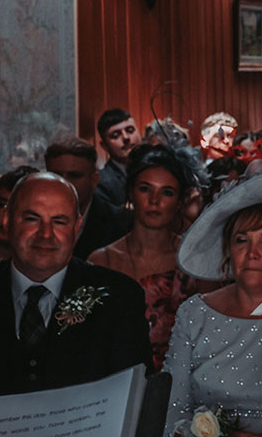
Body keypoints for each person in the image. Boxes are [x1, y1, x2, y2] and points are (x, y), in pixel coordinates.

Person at [0, 172, 153, 396]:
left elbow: (136, 398)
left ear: (77, 227)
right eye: (32, 219)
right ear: (7, 220)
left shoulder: (120, 298)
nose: (46, 234)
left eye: (59, 221)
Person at [164, 166, 262, 437]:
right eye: (242, 240)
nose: (252, 253)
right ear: (228, 248)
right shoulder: (194, 313)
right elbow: (173, 408)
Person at [88, 144, 216, 370]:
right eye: (145, 189)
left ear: (180, 200)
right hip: (116, 379)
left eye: (167, 192)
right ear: (131, 192)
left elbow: (212, 334)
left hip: (184, 378)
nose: (154, 200)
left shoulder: (196, 261)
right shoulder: (101, 260)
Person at [44, 136, 131, 259]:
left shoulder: (123, 223)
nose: (64, 183)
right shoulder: (31, 221)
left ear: (94, 180)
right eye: (56, 176)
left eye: (74, 176)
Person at [95, 108, 142, 206]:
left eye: (130, 130)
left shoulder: (156, 171)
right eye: (116, 135)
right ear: (104, 146)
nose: (126, 137)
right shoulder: (101, 182)